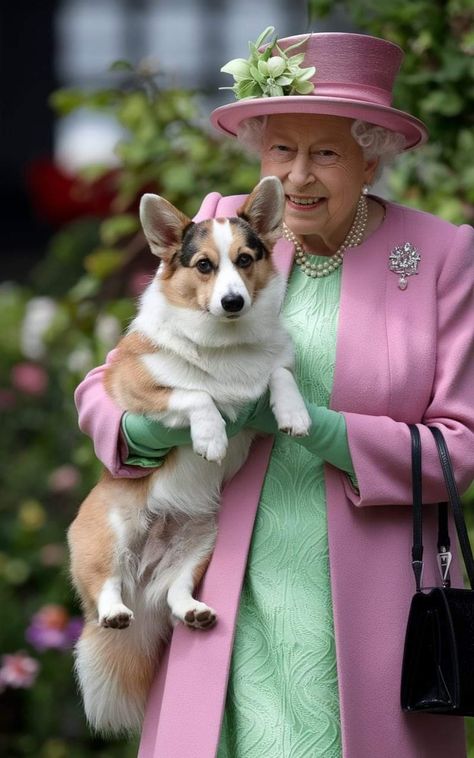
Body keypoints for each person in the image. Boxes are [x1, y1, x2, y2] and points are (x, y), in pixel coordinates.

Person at [74, 30, 474, 758]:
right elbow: (110, 383)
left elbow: (459, 448)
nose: (296, 177)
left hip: (366, 595)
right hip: (222, 574)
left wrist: (316, 427)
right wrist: (146, 435)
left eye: (324, 152)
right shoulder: (229, 230)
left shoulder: (442, 255)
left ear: (370, 153)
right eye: (279, 150)